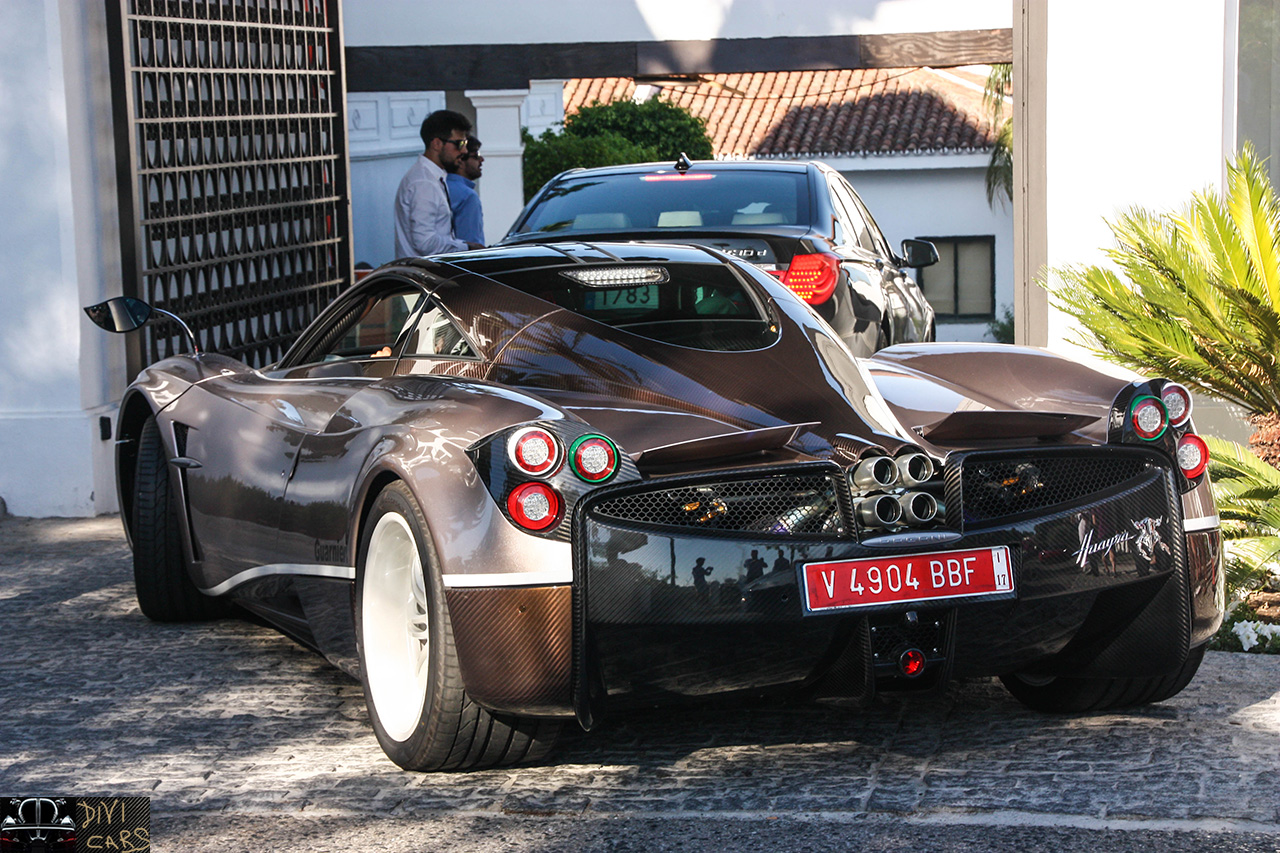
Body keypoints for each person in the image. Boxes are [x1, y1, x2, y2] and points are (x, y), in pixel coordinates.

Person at [393, 110, 482, 258]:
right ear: (436, 144)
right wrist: (466, 247)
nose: (464, 150)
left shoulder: (432, 177)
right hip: (422, 276)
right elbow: (424, 243)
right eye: (460, 144)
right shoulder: (423, 182)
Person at [446, 136, 485, 246]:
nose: (482, 160)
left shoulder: (440, 186)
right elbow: (472, 244)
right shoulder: (467, 196)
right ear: (461, 160)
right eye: (476, 155)